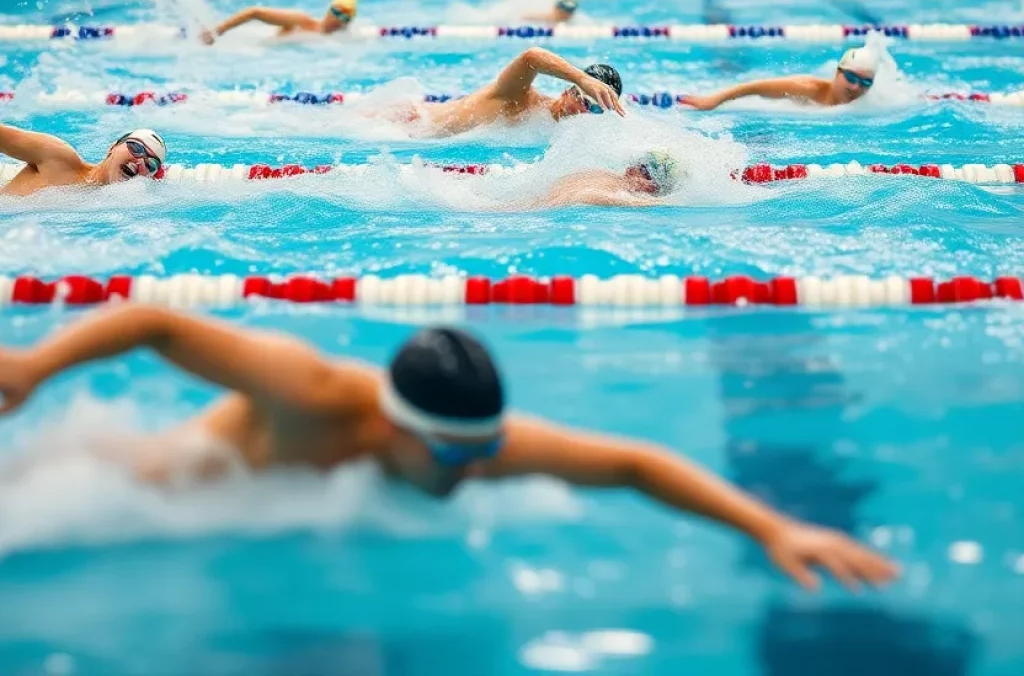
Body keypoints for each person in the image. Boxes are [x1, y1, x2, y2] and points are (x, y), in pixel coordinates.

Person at [0, 307, 899, 592]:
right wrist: (37, 366)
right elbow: (156, 323)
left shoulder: (469, 447)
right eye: (456, 460)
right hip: (154, 488)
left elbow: (632, 464)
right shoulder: (310, 391)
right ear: (395, 430)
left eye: (485, 452)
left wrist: (770, 527)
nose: (474, 476)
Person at [393, 49, 623, 136]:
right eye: (585, 101)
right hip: (404, 121)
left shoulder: (549, 129)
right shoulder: (519, 97)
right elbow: (530, 57)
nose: (586, 112)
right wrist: (581, 78)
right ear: (568, 91)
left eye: (595, 109)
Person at [681, 46, 877, 111]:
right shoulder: (808, 88)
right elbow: (754, 87)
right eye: (851, 77)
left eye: (865, 82)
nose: (855, 86)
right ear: (838, 72)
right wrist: (714, 100)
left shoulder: (873, 105)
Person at [0, 126, 167, 197]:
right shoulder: (58, 157)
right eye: (136, 148)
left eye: (151, 164)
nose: (139, 162)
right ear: (112, 148)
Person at [523, 149, 683, 208]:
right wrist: (654, 203)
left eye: (643, 169)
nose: (632, 168)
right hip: (530, 212)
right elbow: (584, 196)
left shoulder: (600, 173)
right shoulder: (617, 189)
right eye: (638, 164)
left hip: (527, 205)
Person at [201, 0, 357, 44]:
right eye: (336, 12)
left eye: (345, 17)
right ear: (329, 10)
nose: (338, 19)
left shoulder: (343, 40)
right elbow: (255, 12)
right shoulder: (300, 21)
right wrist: (218, 30)